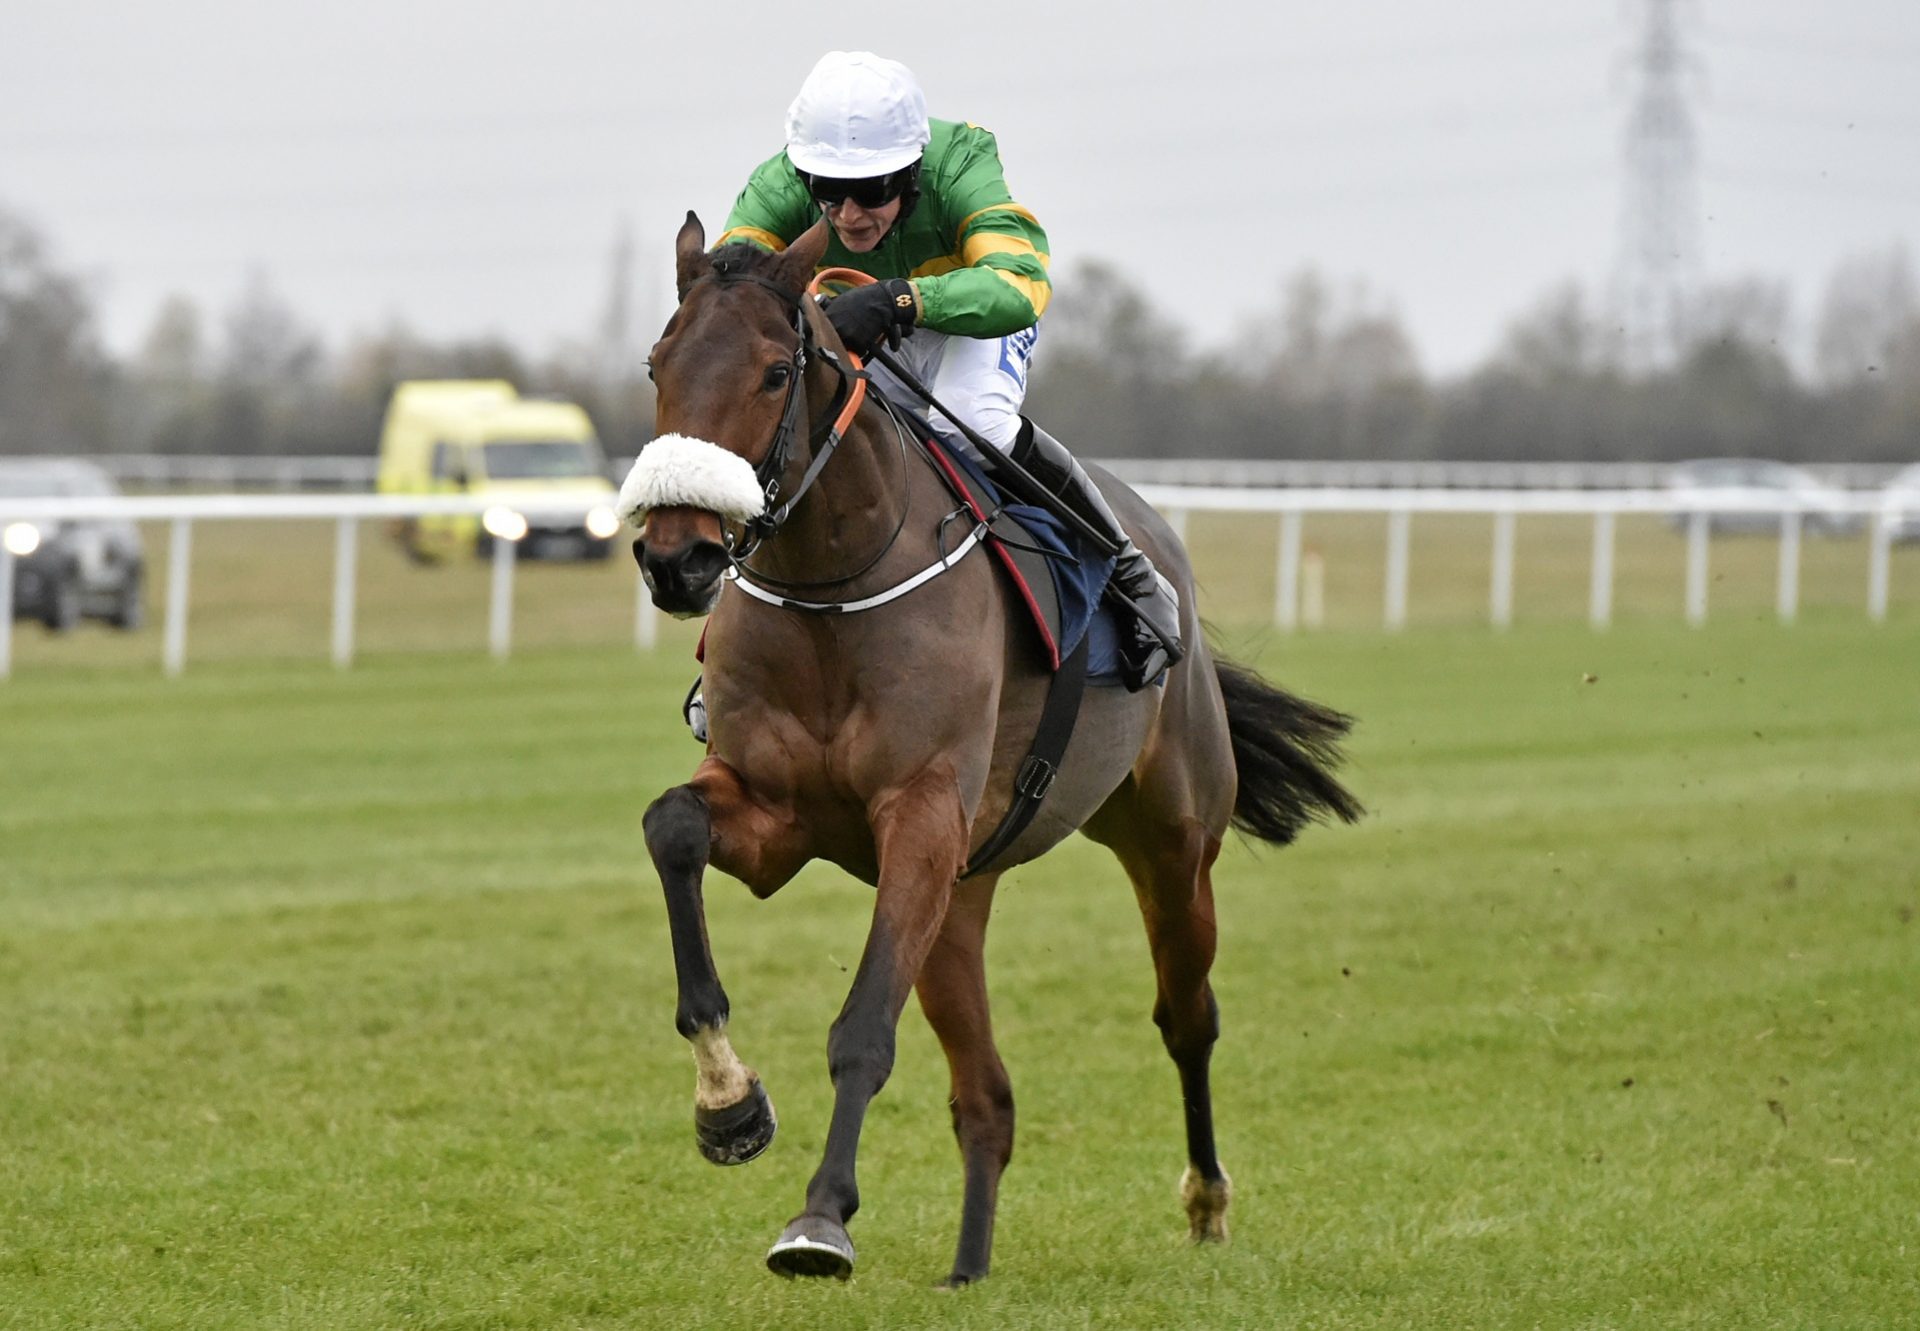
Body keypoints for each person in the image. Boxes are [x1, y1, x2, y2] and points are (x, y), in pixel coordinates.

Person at [714, 50, 1184, 689]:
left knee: (977, 424)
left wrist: (901, 298)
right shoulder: (778, 182)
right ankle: (730, 651)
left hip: (971, 323)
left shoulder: (961, 161)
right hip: (856, 323)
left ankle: (1132, 571)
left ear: (910, 173)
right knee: (797, 436)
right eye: (829, 192)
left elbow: (1018, 284)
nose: (849, 214)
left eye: (872, 191)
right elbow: (727, 293)